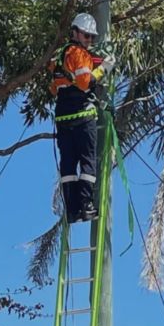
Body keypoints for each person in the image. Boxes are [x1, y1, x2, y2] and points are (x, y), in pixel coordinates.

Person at [48, 13, 115, 223]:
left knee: (68, 163)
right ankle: (86, 205)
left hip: (62, 117)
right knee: (87, 161)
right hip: (82, 115)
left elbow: (53, 87)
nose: (89, 40)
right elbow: (85, 82)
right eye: (86, 36)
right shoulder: (80, 54)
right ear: (75, 32)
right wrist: (103, 69)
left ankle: (72, 208)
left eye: (91, 37)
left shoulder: (59, 56)